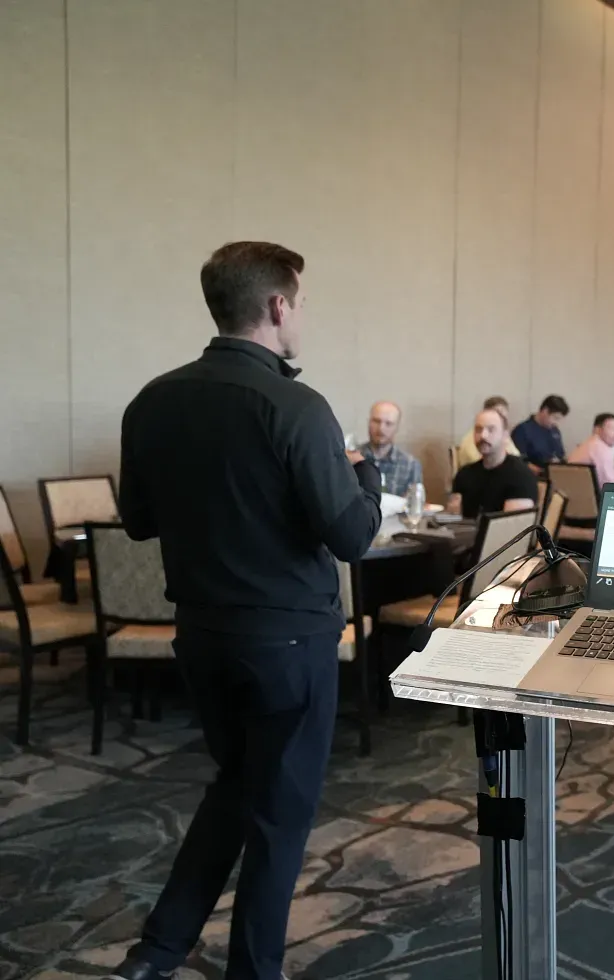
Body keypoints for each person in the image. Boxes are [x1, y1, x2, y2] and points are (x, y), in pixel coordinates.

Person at [112, 241, 384, 980]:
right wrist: (365, 475)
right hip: (287, 646)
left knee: (237, 788)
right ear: (276, 306)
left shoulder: (153, 399)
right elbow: (353, 536)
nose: (300, 316)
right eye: (298, 302)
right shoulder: (296, 407)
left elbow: (136, 522)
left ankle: (158, 950)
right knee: (278, 819)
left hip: (201, 635)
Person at [451, 409, 539, 517]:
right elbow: (453, 519)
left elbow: (514, 529)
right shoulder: (464, 475)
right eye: (478, 429)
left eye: (491, 429)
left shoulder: (521, 476)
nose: (483, 435)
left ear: (505, 436)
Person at [359, 400, 423, 498]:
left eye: (388, 423)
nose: (381, 428)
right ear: (369, 422)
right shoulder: (350, 458)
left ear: (397, 427)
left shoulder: (411, 465)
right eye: (376, 421)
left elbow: (413, 505)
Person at [455, 396, 518, 468]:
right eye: (498, 415)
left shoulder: (503, 435)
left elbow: (516, 456)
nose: (502, 420)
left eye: (504, 417)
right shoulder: (476, 440)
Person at [510, 395, 568, 473]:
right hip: (534, 476)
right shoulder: (523, 430)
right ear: (545, 411)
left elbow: (561, 455)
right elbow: (518, 461)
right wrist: (541, 471)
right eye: (555, 418)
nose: (556, 423)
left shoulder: (554, 430)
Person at [566, 412, 614, 485]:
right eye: (612, 429)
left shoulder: (586, 445)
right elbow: (610, 483)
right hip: (595, 494)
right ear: (597, 430)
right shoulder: (601, 448)